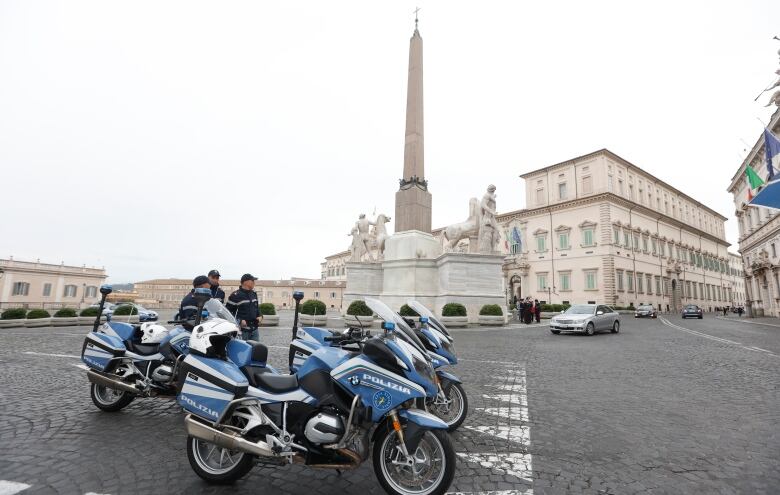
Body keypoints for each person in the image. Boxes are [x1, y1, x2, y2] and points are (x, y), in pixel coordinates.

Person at [227, 273, 260, 341]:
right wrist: (239, 321)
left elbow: (256, 308)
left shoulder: (254, 294)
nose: (254, 283)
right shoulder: (235, 295)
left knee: (256, 351)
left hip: (255, 330)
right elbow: (228, 313)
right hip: (242, 331)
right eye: (252, 281)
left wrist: (260, 316)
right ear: (245, 282)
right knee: (243, 351)